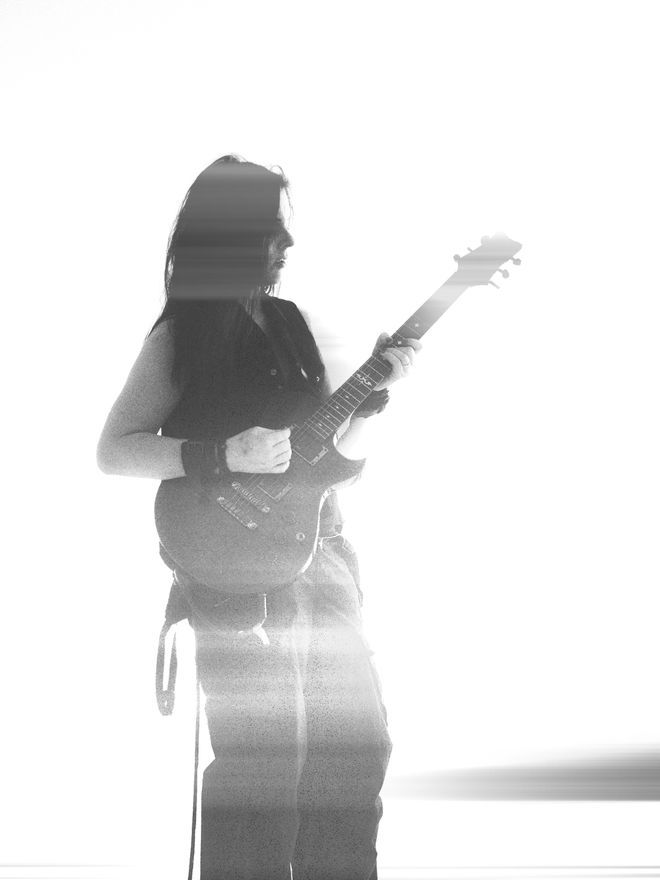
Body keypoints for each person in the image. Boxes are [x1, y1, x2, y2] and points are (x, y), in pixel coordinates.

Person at [97, 154, 420, 880]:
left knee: (356, 752)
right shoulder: (183, 335)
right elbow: (115, 451)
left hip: (325, 554)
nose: (289, 243)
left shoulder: (291, 327)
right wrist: (220, 454)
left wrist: (369, 405)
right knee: (266, 764)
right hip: (233, 574)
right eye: (274, 227)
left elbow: (329, 465)